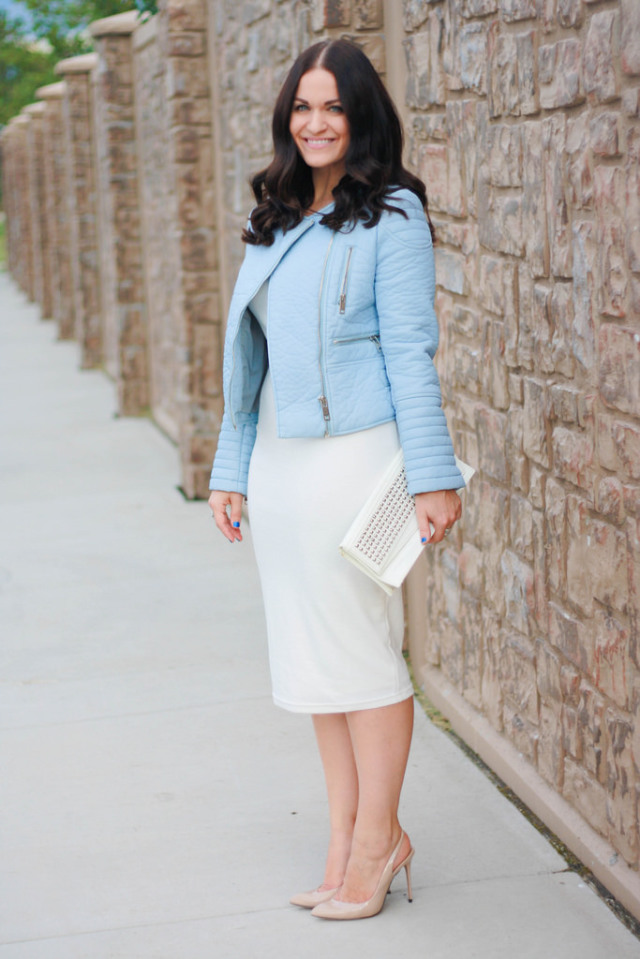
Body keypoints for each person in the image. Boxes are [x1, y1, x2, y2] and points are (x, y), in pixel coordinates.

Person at [208, 38, 463, 921]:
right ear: (288, 117)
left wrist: (431, 476)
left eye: (334, 107)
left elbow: (409, 352)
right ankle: (346, 843)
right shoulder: (275, 214)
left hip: (358, 459)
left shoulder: (391, 217)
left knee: (361, 653)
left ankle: (376, 843)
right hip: (278, 463)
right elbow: (252, 360)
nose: (315, 123)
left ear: (361, 117)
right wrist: (229, 469)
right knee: (317, 664)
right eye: (302, 107)